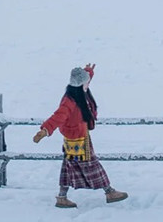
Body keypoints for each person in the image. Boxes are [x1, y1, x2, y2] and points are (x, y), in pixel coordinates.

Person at [33, 63, 128, 208]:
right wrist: (45, 130)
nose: (88, 85)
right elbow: (58, 116)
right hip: (77, 140)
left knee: (68, 166)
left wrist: (88, 71)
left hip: (78, 137)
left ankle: (62, 197)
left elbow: (86, 79)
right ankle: (109, 192)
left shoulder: (78, 92)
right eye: (86, 82)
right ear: (80, 85)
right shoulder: (69, 101)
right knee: (92, 165)